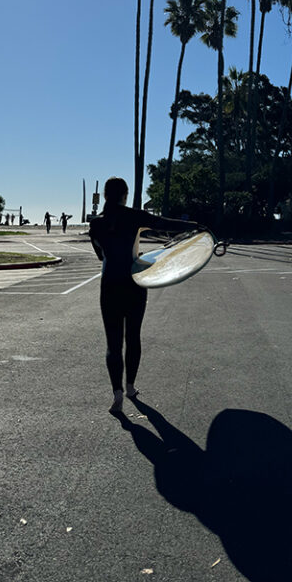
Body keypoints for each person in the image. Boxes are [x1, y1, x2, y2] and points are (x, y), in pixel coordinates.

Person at [89, 177, 197, 413]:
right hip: (134, 283)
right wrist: (196, 226)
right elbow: (163, 223)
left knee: (113, 343)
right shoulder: (134, 216)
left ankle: (116, 393)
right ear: (125, 195)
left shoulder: (95, 224)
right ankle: (130, 387)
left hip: (109, 284)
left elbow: (101, 256)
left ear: (105, 195)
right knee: (133, 336)